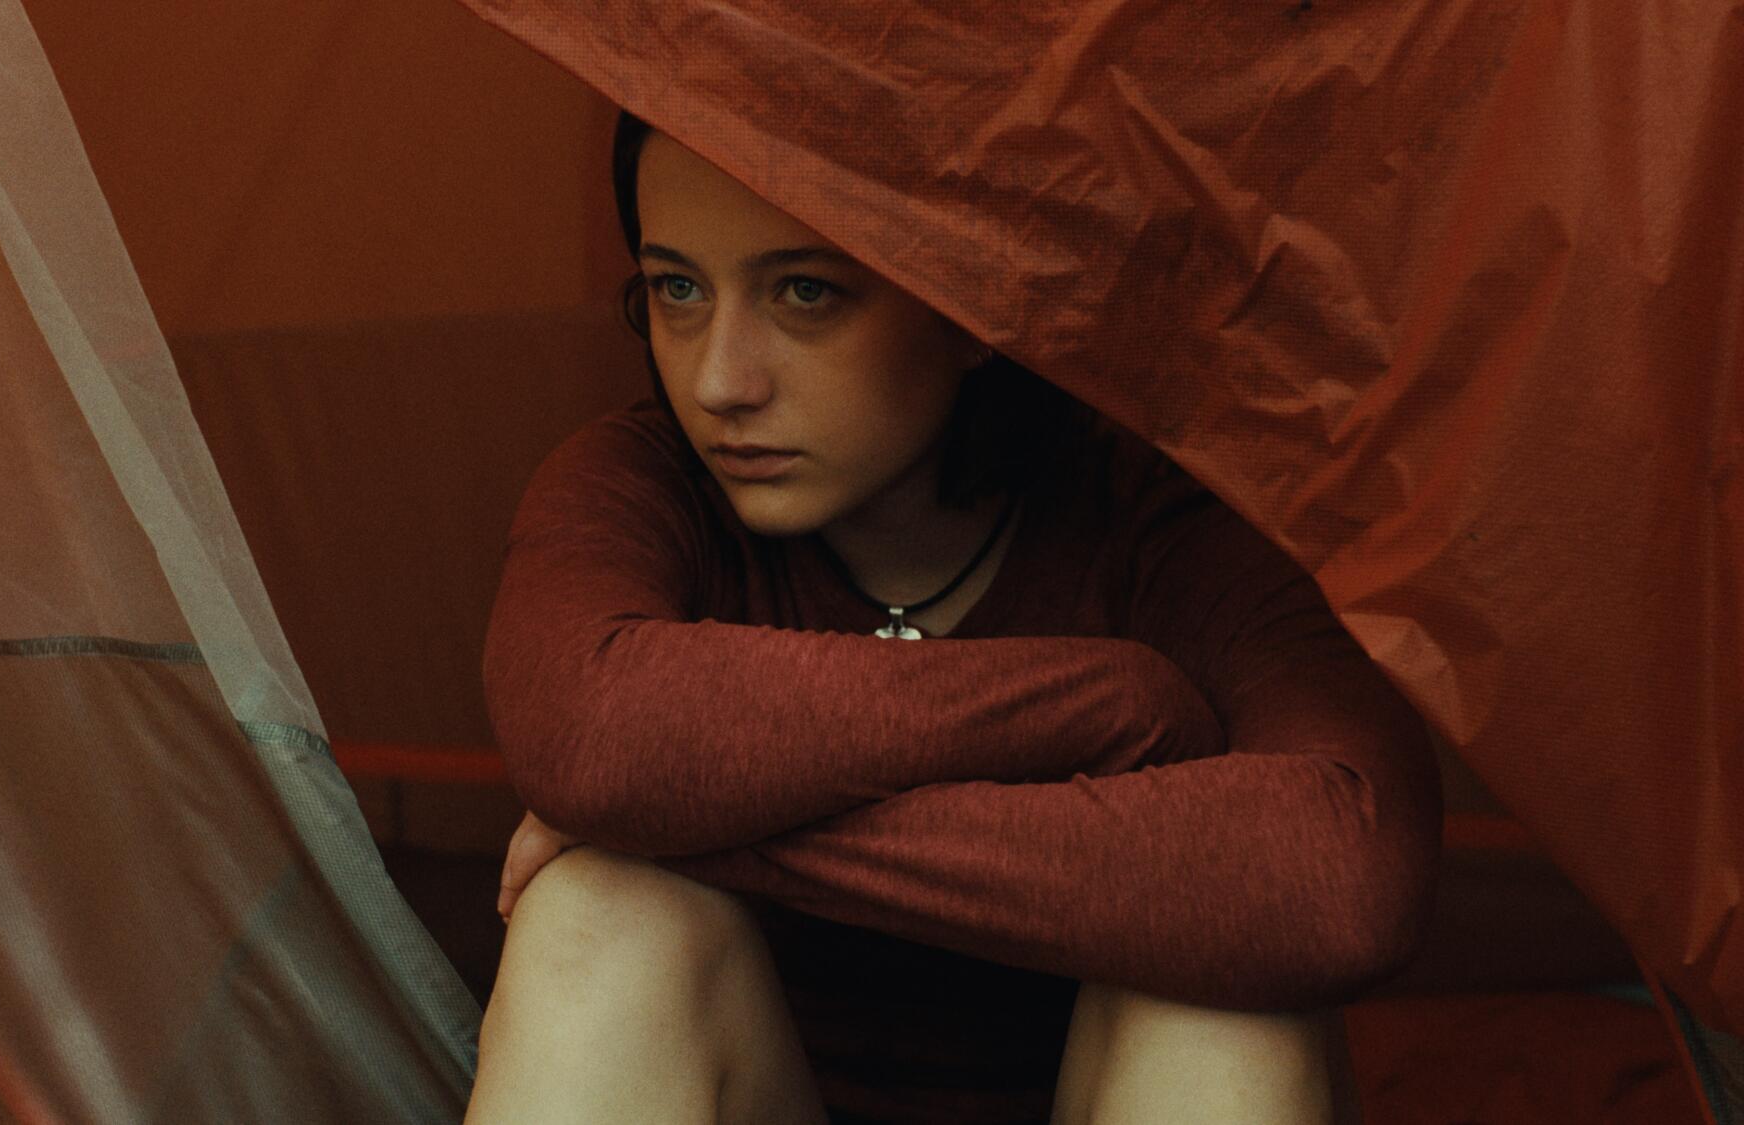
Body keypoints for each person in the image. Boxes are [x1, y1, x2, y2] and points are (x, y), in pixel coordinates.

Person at [464, 110, 1441, 1124]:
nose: (719, 382)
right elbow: (582, 733)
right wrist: (1110, 698)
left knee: (1231, 994)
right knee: (598, 913)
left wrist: (684, 823)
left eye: (804, 293)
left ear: (968, 302)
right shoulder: (639, 485)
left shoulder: (1168, 519)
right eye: (677, 288)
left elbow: (1345, 877)